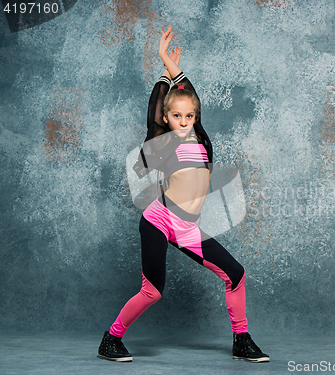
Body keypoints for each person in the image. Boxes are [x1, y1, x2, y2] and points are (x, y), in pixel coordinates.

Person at [97, 26, 269, 363]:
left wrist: (174, 71)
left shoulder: (201, 140)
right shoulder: (162, 144)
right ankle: (111, 339)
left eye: (189, 116)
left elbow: (189, 97)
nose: (184, 121)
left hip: (188, 227)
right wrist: (163, 76)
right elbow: (153, 117)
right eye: (176, 116)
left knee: (236, 274)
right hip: (159, 221)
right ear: (167, 118)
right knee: (153, 291)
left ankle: (241, 340)